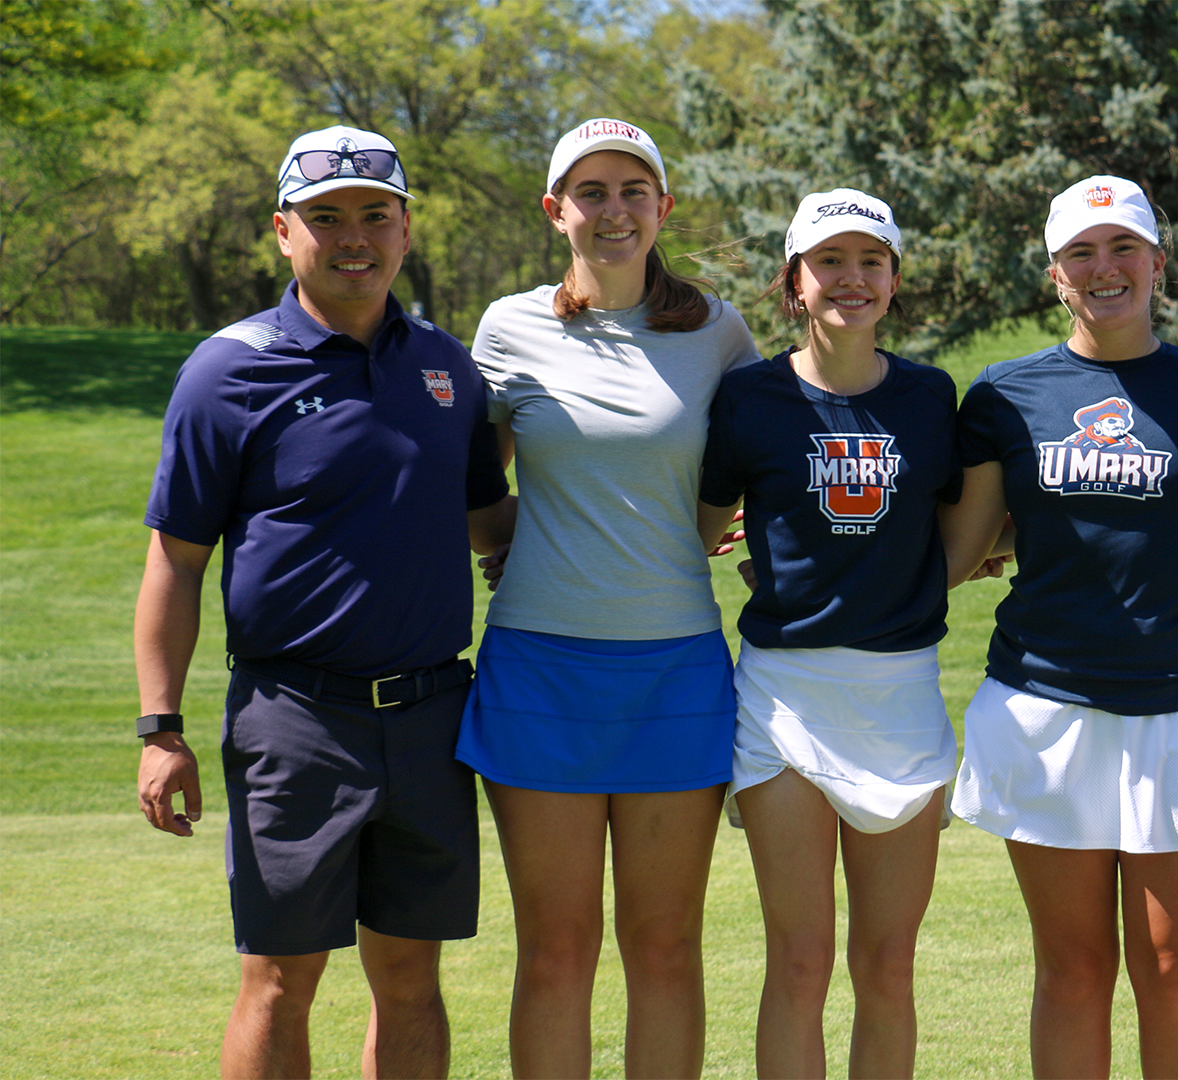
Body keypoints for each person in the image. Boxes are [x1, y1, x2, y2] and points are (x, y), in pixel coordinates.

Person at [134, 124, 514, 1080]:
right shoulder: (228, 370)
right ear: (282, 231)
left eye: (374, 215)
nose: (354, 237)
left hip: (432, 716)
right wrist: (159, 728)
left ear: (406, 229)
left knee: (412, 977)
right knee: (278, 977)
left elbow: (485, 520)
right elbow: (175, 559)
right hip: (295, 718)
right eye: (327, 217)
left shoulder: (445, 364)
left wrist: (655, 516)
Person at [452, 118, 760, 1080]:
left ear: (663, 207)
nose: (614, 209)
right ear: (557, 211)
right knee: (556, 951)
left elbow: (773, 468)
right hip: (540, 669)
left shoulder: (719, 331)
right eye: (593, 191)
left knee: (664, 949)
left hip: (675, 669)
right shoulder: (508, 327)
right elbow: (469, 476)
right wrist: (506, 538)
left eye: (634, 189)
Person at [944, 175, 1178, 1080]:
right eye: (1082, 253)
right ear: (1055, 275)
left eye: (1124, 247)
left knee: (1173, 973)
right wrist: (800, 552)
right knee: (1074, 971)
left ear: (1158, 263)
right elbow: (956, 550)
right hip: (1044, 706)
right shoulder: (1005, 396)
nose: (1105, 267)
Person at [696, 188, 960, 1080]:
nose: (851, 279)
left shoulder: (931, 398)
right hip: (785, 700)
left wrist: (990, 555)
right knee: (800, 962)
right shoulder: (747, 400)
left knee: (887, 966)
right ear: (794, 283)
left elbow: (964, 528)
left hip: (901, 697)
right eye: (830, 263)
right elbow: (701, 529)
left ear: (893, 282)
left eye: (870, 262)